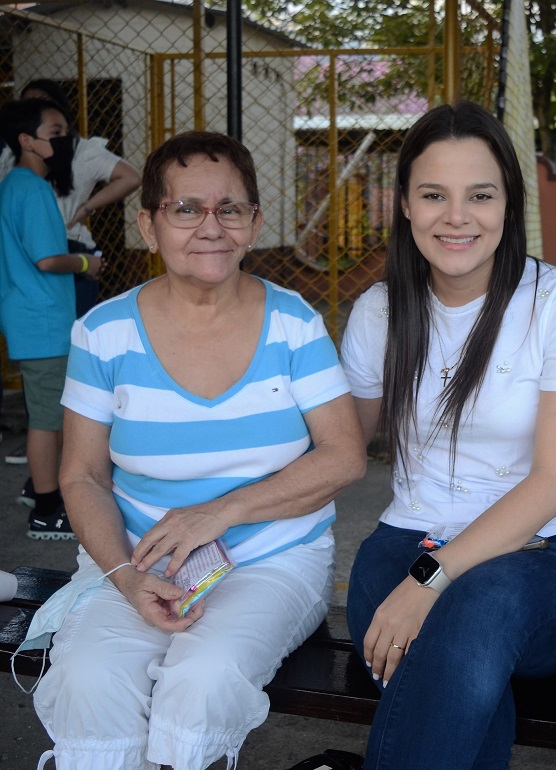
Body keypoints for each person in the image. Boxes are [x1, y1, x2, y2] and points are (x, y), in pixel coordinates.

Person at [21, 130, 366, 770]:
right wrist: (126, 577)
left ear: (254, 223)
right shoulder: (102, 332)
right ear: (149, 226)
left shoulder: (293, 322)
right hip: (134, 558)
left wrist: (222, 513)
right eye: (186, 209)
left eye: (229, 209)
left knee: (203, 676)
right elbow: (84, 475)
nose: (210, 226)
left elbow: (344, 455)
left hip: (272, 558)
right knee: (91, 678)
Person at [339, 100, 556, 769]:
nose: (456, 217)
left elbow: (554, 480)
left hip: (543, 557)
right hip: (405, 541)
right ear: (404, 203)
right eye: (434, 194)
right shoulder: (380, 311)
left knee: (474, 613)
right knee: (461, 672)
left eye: (479, 195)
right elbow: (338, 450)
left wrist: (429, 579)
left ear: (509, 205)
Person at [0, 98, 105, 540]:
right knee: (47, 417)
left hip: (30, 316)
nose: (65, 141)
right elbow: (46, 260)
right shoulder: (33, 188)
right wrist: (86, 266)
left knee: (46, 411)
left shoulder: (14, 184)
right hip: (42, 320)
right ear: (27, 141)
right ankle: (46, 508)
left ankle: (36, 488)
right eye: (56, 132)